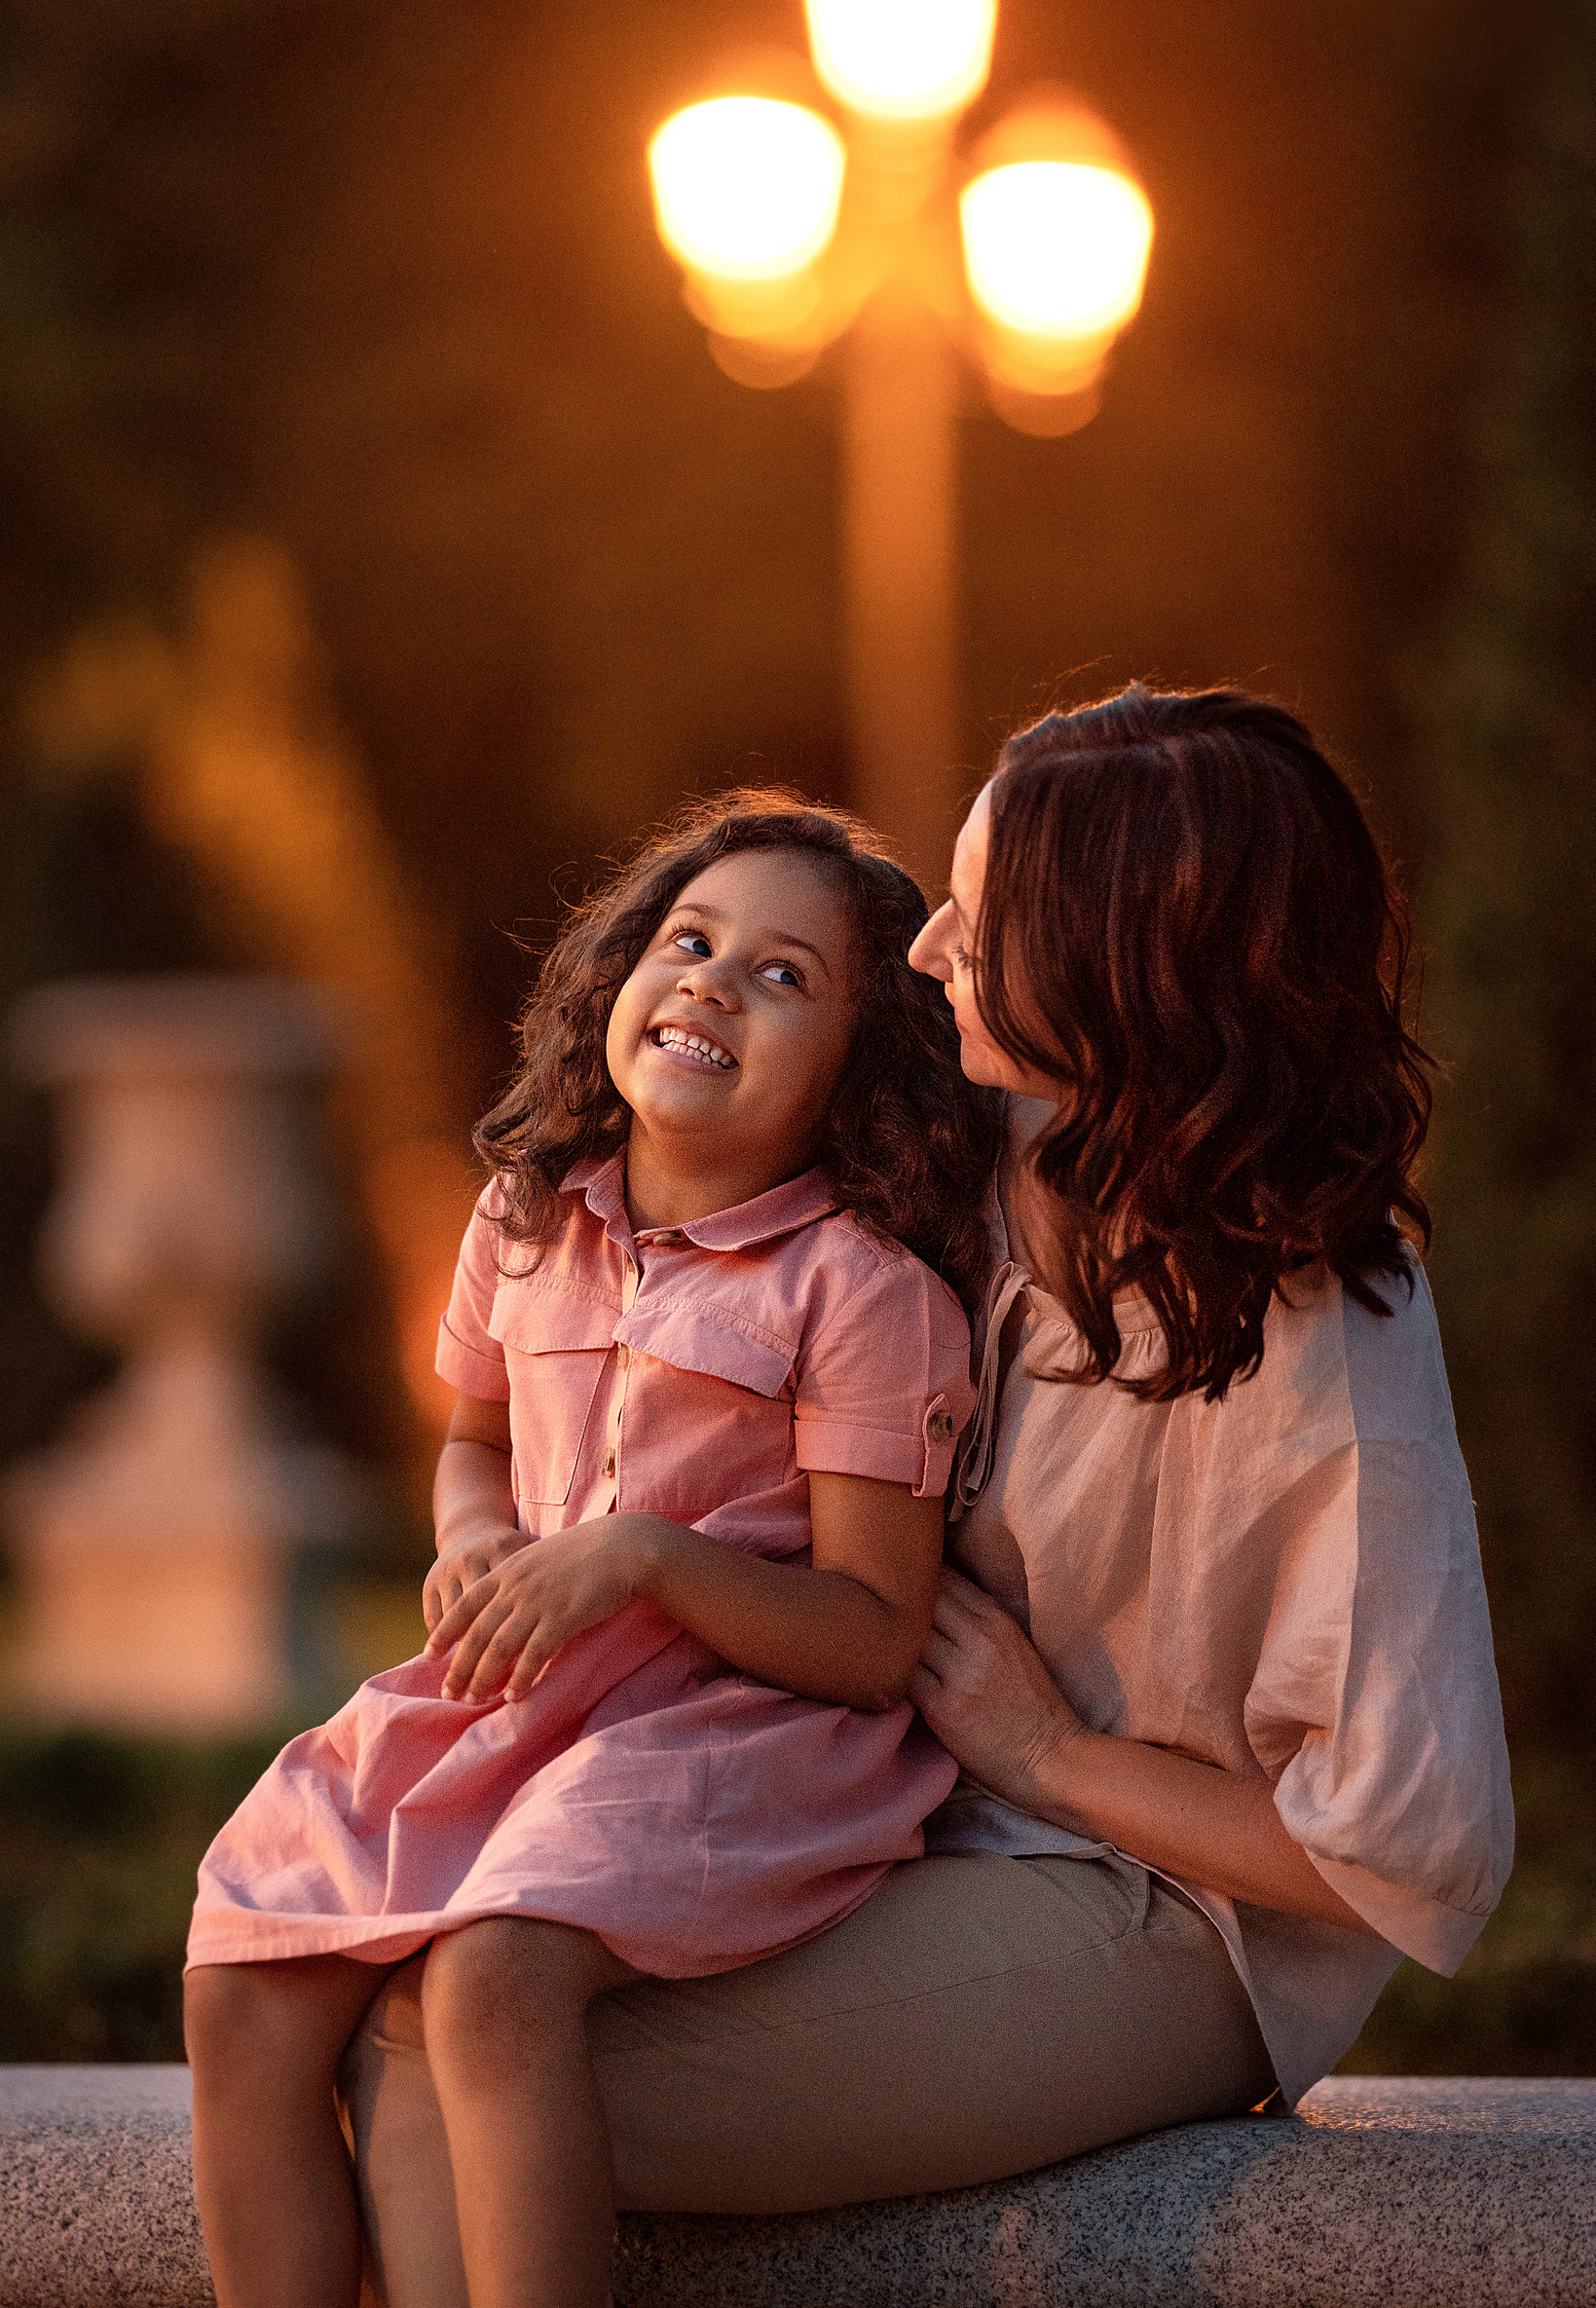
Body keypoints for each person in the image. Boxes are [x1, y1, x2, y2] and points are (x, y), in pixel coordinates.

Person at [336, 684, 1513, 2308]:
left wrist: (1052, 1753)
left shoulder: (1324, 1349)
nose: (929, 941)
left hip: (1154, 1907)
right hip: (876, 1799)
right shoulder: (963, 1163)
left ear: (1123, 965)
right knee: (387, 1986)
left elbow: (1398, 1853)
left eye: (989, 913)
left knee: (443, 2044)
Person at [184, 794, 1000, 2308]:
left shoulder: (866, 1296)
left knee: (490, 1979)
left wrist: (640, 1558)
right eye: (691, 941)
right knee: (243, 1971)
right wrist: (479, 1536)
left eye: (783, 976)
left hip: (737, 1728)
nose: (711, 981)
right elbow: (473, 1436)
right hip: (522, 1694)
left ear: (864, 1068)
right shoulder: (521, 1220)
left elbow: (876, 1635)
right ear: (622, 973)